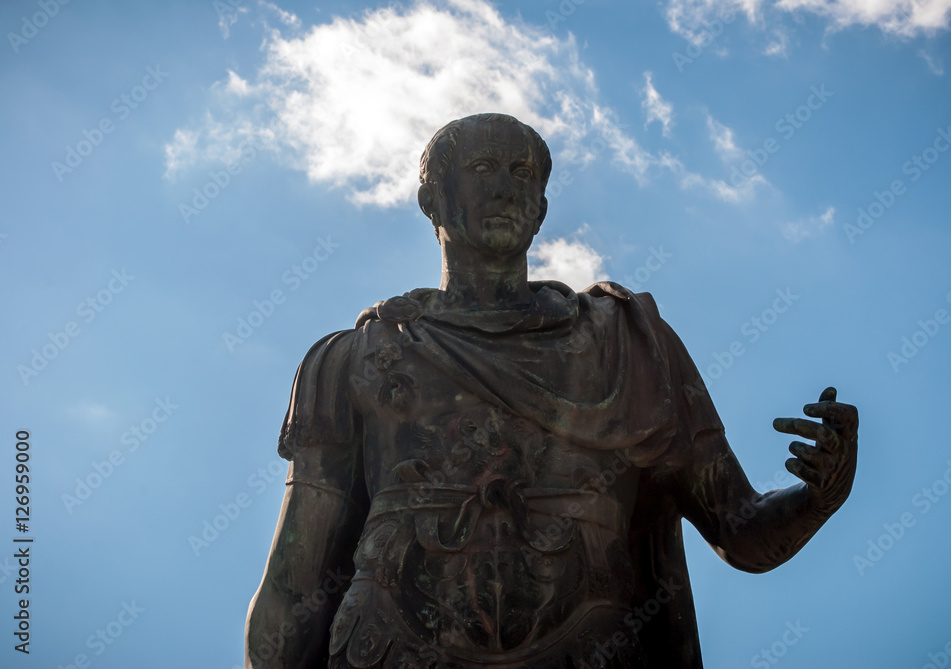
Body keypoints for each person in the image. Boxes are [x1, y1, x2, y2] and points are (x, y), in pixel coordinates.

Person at [245, 113, 858, 669]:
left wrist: (818, 495)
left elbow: (741, 529)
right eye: (481, 168)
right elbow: (294, 585)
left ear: (540, 208)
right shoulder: (352, 359)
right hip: (390, 650)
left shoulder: (625, 345)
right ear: (432, 199)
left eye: (523, 173)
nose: (505, 187)